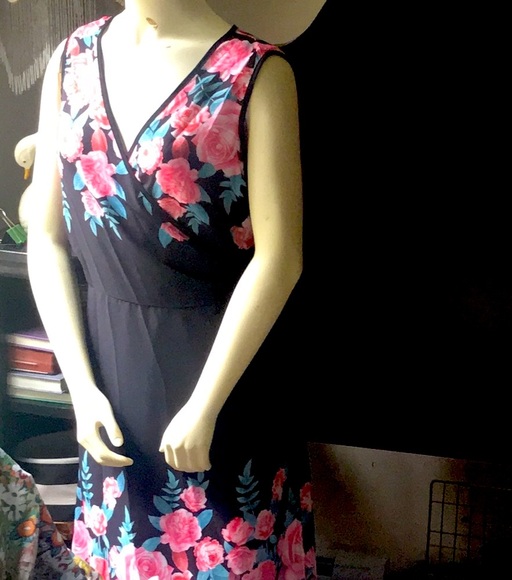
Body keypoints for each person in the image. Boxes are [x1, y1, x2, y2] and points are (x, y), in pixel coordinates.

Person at [26, 0, 316, 576]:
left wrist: (205, 407)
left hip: (223, 391)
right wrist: (80, 389)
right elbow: (48, 237)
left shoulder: (257, 73)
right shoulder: (73, 58)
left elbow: (280, 258)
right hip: (110, 396)